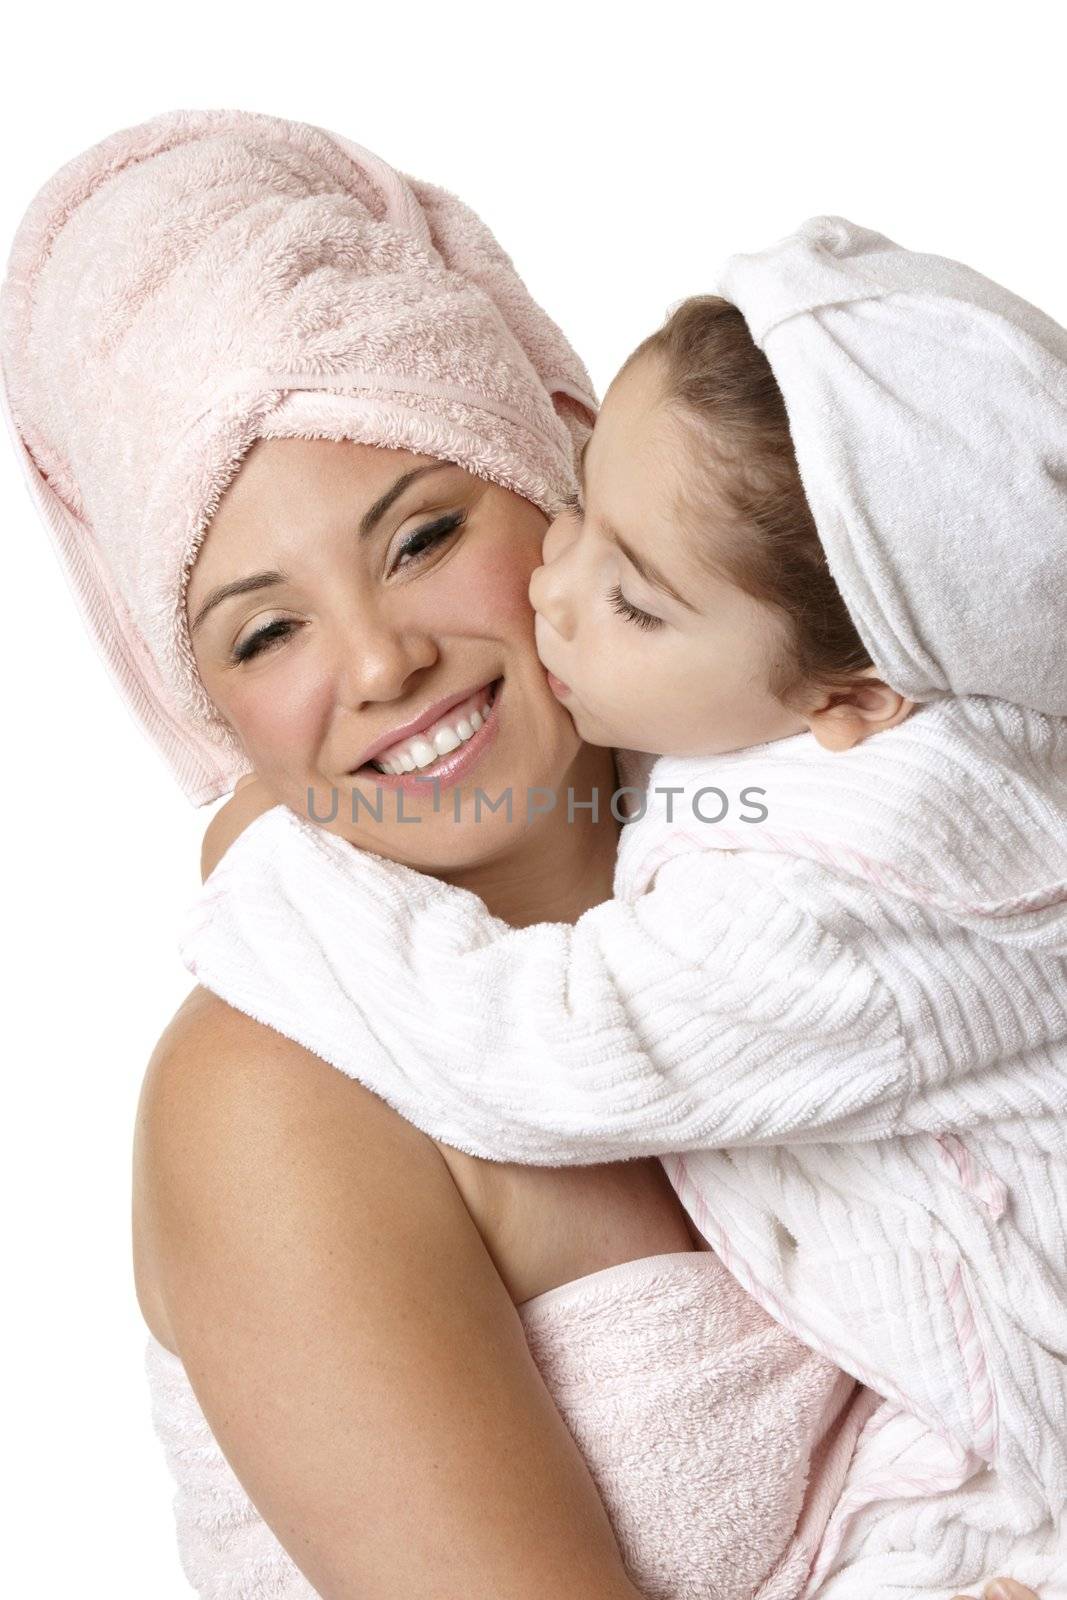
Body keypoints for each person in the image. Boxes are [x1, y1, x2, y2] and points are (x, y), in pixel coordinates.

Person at [0, 111, 1043, 1600]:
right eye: (265, 629)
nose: (379, 661)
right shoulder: (280, 1104)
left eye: (421, 536)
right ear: (206, 701)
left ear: (561, 480)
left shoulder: (827, 867)